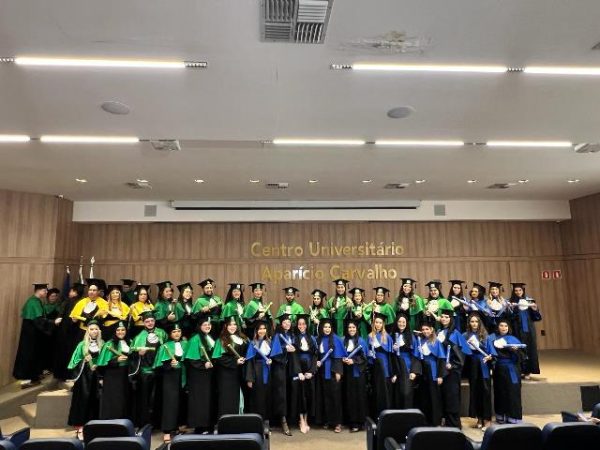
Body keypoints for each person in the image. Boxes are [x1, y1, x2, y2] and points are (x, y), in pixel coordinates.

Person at [13, 283, 61, 388]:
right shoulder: (33, 302)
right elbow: (39, 321)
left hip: (32, 334)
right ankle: (30, 378)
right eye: (45, 290)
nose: (46, 292)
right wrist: (53, 322)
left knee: (33, 355)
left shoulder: (36, 301)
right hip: (31, 336)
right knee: (31, 355)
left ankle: (33, 376)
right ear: (39, 291)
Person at [67, 320, 103, 439]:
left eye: (96, 329)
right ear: (88, 331)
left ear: (99, 331)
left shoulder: (103, 344)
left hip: (97, 377)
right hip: (84, 378)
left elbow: (106, 360)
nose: (94, 331)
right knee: (82, 401)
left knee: (96, 401)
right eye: (91, 329)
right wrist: (84, 361)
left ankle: (94, 427)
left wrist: (99, 367)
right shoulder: (81, 345)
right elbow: (73, 362)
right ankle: (80, 428)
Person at [130, 310, 166, 428]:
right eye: (147, 321)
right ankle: (145, 424)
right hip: (145, 372)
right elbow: (131, 353)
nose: (150, 323)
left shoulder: (162, 333)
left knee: (158, 398)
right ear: (143, 323)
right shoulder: (139, 336)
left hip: (160, 370)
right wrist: (138, 353)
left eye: (152, 321)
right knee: (145, 399)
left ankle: (157, 423)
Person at [153, 323, 188, 444]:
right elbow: (158, 366)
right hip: (170, 378)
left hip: (182, 376)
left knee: (181, 401)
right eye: (174, 331)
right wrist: (169, 365)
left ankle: (178, 426)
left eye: (179, 331)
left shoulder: (185, 344)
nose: (177, 333)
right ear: (170, 334)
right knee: (169, 403)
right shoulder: (165, 346)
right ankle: (167, 430)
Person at [438, 308, 472, 429]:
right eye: (442, 317)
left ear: (451, 319)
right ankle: (445, 421)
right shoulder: (439, 332)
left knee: (452, 396)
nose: (444, 319)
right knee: (443, 396)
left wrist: (453, 365)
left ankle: (453, 424)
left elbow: (461, 354)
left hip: (452, 371)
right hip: (441, 370)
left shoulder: (455, 334)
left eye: (447, 317)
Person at [184, 314, 217, 433]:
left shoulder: (210, 337)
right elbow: (191, 359)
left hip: (209, 374)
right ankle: (200, 426)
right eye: (205, 325)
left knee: (209, 399)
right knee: (200, 400)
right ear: (199, 326)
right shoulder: (195, 339)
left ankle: (209, 425)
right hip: (198, 375)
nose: (208, 326)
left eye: (209, 324)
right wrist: (203, 365)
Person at [463, 312, 496, 430]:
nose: (474, 324)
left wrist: (490, 356)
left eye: (476, 321)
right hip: (473, 365)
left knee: (485, 392)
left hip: (483, 364)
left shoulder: (485, 335)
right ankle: (479, 418)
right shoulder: (465, 335)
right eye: (472, 321)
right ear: (469, 323)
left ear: (479, 323)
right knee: (475, 391)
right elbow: (462, 351)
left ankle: (487, 419)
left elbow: (492, 352)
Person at [212, 315, 249, 417]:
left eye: (234, 324)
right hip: (226, 376)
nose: (233, 327)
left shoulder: (243, 338)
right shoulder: (221, 340)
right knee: (228, 399)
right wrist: (235, 361)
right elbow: (219, 358)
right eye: (230, 325)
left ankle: (238, 419)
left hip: (239, 373)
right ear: (225, 326)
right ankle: (227, 422)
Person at [412, 317, 446, 426]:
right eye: (423, 329)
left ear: (431, 330)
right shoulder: (420, 341)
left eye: (427, 329)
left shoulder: (436, 342)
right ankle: (424, 420)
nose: (425, 331)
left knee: (434, 396)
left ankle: (435, 421)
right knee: (424, 396)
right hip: (423, 371)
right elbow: (416, 358)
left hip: (433, 370)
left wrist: (440, 375)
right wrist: (415, 372)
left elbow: (441, 359)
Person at [491, 319, 524, 424]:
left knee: (513, 391)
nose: (503, 328)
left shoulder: (513, 339)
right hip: (499, 368)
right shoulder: (492, 338)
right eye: (501, 325)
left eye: (506, 326)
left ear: (509, 328)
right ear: (498, 327)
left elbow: (522, 356)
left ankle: (513, 416)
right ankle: (500, 415)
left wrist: (515, 351)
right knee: (500, 392)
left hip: (511, 369)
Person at [96, 321, 132, 419]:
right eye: (118, 330)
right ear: (115, 331)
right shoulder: (109, 344)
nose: (120, 332)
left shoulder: (130, 342)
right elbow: (102, 364)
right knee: (113, 399)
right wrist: (116, 360)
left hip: (126, 374)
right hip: (113, 376)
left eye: (123, 330)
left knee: (125, 399)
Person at [314, 318, 345, 432]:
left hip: (332, 370)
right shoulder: (319, 339)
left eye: (329, 327)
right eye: (325, 327)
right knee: (325, 396)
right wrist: (316, 362)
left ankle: (337, 423)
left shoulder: (336, 339)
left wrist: (338, 372)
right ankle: (328, 420)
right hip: (322, 371)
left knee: (335, 397)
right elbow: (316, 354)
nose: (327, 329)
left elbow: (338, 357)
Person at [271, 313, 298, 436]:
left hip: (290, 367)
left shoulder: (291, 335)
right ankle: (283, 421)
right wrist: (285, 349)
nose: (287, 323)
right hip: (280, 368)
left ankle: (290, 419)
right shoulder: (277, 335)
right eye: (284, 322)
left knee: (290, 392)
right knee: (281, 394)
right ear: (281, 324)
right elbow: (274, 352)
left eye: (289, 322)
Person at [244, 321, 276, 429]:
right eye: (260, 329)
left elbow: (274, 357)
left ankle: (267, 421)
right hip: (257, 371)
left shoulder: (270, 342)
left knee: (268, 396)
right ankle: (258, 423)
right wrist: (249, 378)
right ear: (256, 331)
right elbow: (249, 361)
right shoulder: (253, 343)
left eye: (264, 328)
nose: (262, 331)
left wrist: (271, 360)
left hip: (268, 371)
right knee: (258, 397)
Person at [290, 314, 317, 434]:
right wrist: (299, 372)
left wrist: (311, 371)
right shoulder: (294, 338)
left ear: (307, 325)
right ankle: (301, 420)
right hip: (299, 369)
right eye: (299, 324)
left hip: (309, 368)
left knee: (308, 395)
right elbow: (294, 356)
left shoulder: (312, 338)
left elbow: (315, 355)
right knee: (300, 396)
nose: (301, 326)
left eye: (303, 324)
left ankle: (306, 420)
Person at [508, 282, 541, 378]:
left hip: (529, 329)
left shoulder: (529, 301)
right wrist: (511, 309)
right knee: (518, 349)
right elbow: (509, 317)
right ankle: (519, 370)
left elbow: (536, 317)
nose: (518, 292)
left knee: (530, 349)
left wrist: (535, 309)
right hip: (516, 329)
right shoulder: (510, 301)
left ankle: (528, 371)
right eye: (516, 290)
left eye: (520, 290)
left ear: (523, 291)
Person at [54, 282, 86, 381]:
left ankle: (61, 375)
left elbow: (61, 315)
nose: (69, 292)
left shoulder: (67, 302)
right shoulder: (84, 303)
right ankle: (72, 375)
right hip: (78, 333)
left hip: (65, 333)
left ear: (75, 292)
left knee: (63, 354)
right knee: (74, 353)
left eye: (71, 290)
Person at [342, 318, 368, 432]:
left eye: (353, 327)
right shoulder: (343, 340)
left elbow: (365, 358)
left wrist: (353, 361)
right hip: (347, 372)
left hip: (358, 372)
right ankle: (351, 422)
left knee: (359, 396)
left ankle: (360, 422)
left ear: (356, 329)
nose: (351, 329)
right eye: (349, 327)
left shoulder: (361, 341)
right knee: (349, 396)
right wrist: (343, 359)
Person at [367, 312, 395, 418]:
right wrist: (370, 355)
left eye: (380, 323)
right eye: (376, 322)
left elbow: (390, 355)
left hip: (385, 368)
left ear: (383, 324)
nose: (378, 324)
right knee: (376, 392)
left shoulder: (387, 337)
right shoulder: (370, 336)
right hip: (375, 368)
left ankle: (386, 416)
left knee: (385, 393)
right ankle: (376, 416)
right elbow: (368, 352)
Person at [390, 313, 417, 409]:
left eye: (403, 322)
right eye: (399, 322)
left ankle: (407, 414)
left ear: (407, 323)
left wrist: (414, 371)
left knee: (406, 392)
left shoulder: (411, 336)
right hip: (395, 365)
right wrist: (392, 349)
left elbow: (416, 354)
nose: (401, 324)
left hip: (407, 365)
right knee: (397, 392)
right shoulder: (391, 336)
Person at [42, 287, 62, 374]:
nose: (53, 298)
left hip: (55, 332)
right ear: (48, 297)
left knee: (53, 350)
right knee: (45, 350)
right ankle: (44, 367)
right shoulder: (43, 306)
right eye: (51, 296)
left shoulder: (58, 307)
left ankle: (51, 367)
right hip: (45, 331)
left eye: (55, 296)